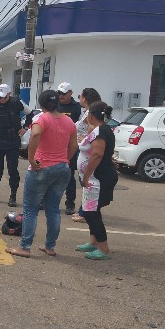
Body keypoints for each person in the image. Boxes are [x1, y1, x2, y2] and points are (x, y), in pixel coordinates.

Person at [6, 90, 78, 258]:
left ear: (41, 104)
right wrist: (64, 159)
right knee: (53, 209)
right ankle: (50, 246)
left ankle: (25, 246)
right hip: (62, 169)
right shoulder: (69, 121)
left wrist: (31, 158)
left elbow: (36, 133)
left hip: (42, 167)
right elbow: (74, 145)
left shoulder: (41, 118)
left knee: (30, 209)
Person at [75, 101, 118, 260]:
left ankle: (103, 248)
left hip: (98, 178)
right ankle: (93, 242)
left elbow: (97, 155)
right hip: (95, 178)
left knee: (91, 212)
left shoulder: (101, 131)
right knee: (91, 210)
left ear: (92, 115)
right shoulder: (100, 129)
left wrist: (86, 175)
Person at [0, 83, 32, 207]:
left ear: (9, 94)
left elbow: (30, 114)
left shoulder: (17, 103)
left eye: (4, 97)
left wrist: (25, 128)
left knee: (12, 170)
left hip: (12, 141)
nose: (1, 100)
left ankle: (13, 196)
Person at [71, 88, 102, 223]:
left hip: (88, 151)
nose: (79, 99)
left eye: (80, 96)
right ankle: (85, 210)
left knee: (87, 182)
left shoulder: (91, 114)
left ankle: (85, 212)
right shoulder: (88, 112)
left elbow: (87, 129)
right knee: (86, 182)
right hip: (84, 149)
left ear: (85, 98)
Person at [56, 82, 83, 215]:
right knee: (50, 174)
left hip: (69, 145)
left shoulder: (76, 107)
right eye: (59, 93)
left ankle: (70, 203)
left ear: (70, 93)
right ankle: (46, 201)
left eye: (63, 93)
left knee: (69, 175)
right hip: (54, 144)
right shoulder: (54, 104)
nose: (61, 96)